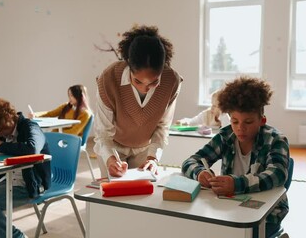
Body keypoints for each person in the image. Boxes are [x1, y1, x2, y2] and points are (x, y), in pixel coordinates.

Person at [181, 76, 289, 238]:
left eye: (248, 122)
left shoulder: (275, 139)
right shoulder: (226, 136)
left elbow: (278, 174)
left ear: (262, 120)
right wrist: (200, 173)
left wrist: (237, 184)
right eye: (235, 121)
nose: (240, 128)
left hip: (268, 215)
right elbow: (190, 161)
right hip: (230, 207)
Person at [94, 25, 183, 178]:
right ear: (128, 65)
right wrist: (110, 160)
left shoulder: (172, 81)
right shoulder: (109, 78)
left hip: (145, 149)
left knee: (142, 197)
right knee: (111, 195)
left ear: (163, 68)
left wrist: (153, 158)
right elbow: (103, 133)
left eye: (153, 82)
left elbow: (162, 128)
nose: (145, 89)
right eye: (138, 81)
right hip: (113, 146)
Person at [0, 98, 51, 238]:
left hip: (30, 184)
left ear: (6, 121)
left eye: (0, 130)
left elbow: (32, 149)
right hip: (8, 180)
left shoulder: (30, 127)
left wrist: (0, 146)